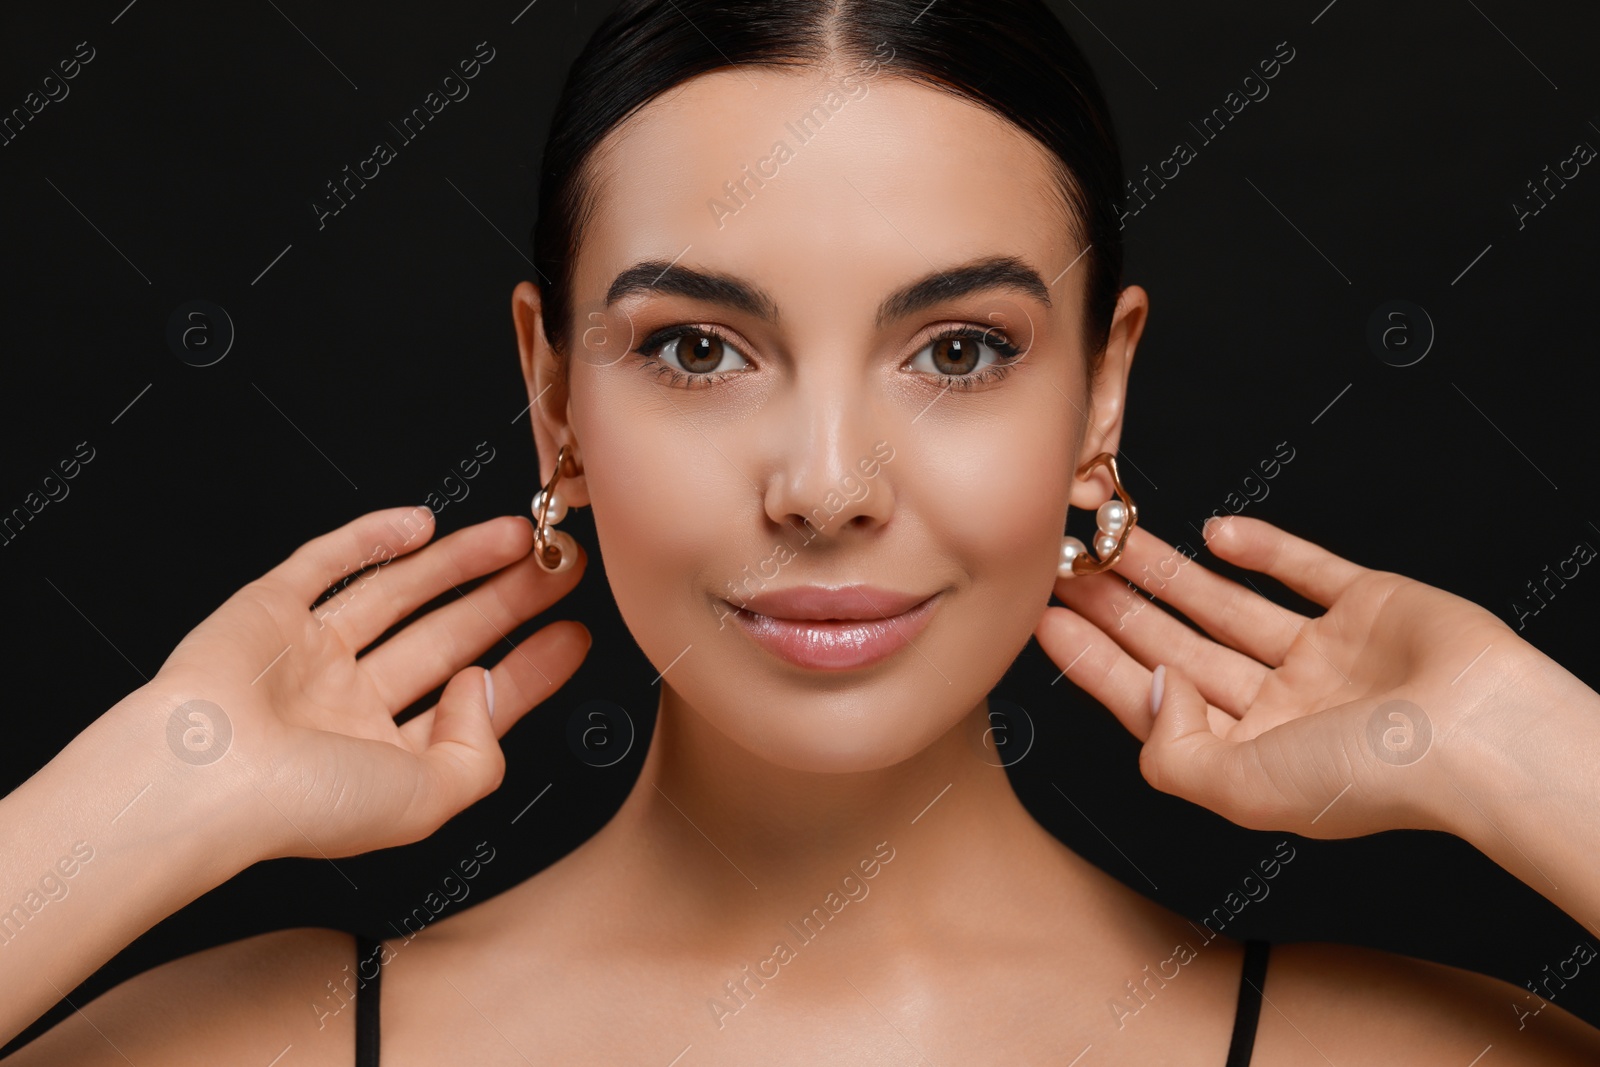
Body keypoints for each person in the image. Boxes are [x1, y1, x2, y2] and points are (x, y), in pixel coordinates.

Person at [4, 0, 1600, 1062]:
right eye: (697, 349)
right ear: (553, 396)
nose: (827, 485)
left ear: (1102, 395)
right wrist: (159, 781)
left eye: (959, 349)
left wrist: (1522, 750)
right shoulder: (257, 1048)